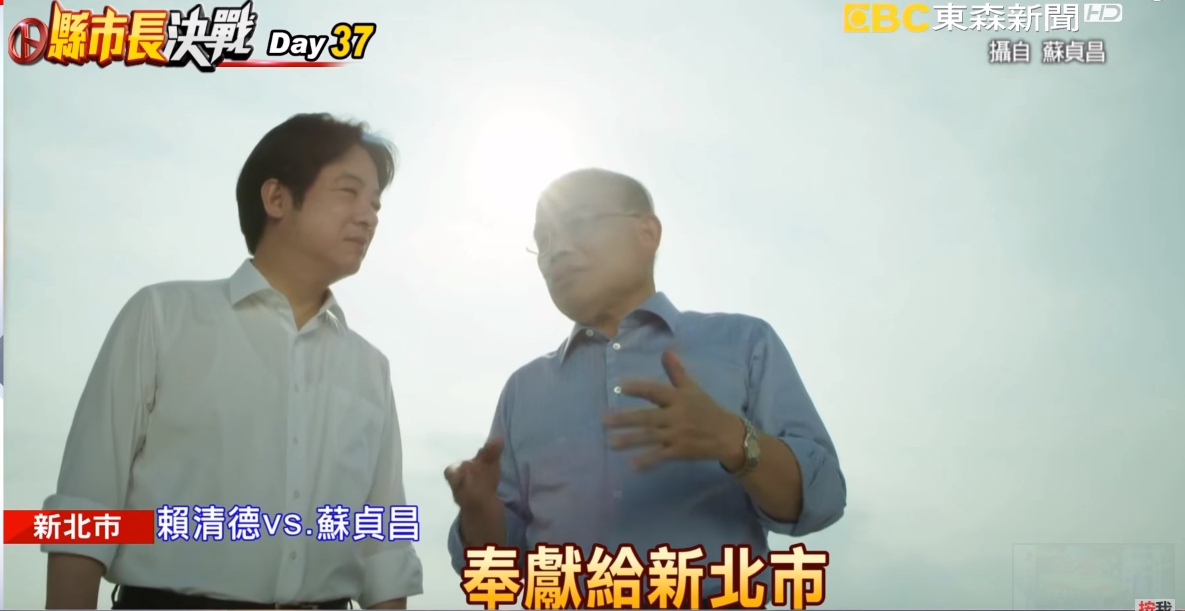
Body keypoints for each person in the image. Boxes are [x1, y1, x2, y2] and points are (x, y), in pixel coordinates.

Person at [43, 114, 422, 609]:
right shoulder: (163, 316)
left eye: (374, 204)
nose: (369, 216)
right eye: (348, 192)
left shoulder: (370, 368)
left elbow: (383, 548)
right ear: (277, 198)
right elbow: (86, 506)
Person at [445, 168, 846, 607]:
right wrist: (479, 510)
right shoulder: (524, 389)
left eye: (577, 224)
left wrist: (733, 439)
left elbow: (823, 498)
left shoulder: (742, 344)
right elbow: (499, 568)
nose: (556, 249)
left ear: (646, 233)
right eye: (543, 240)